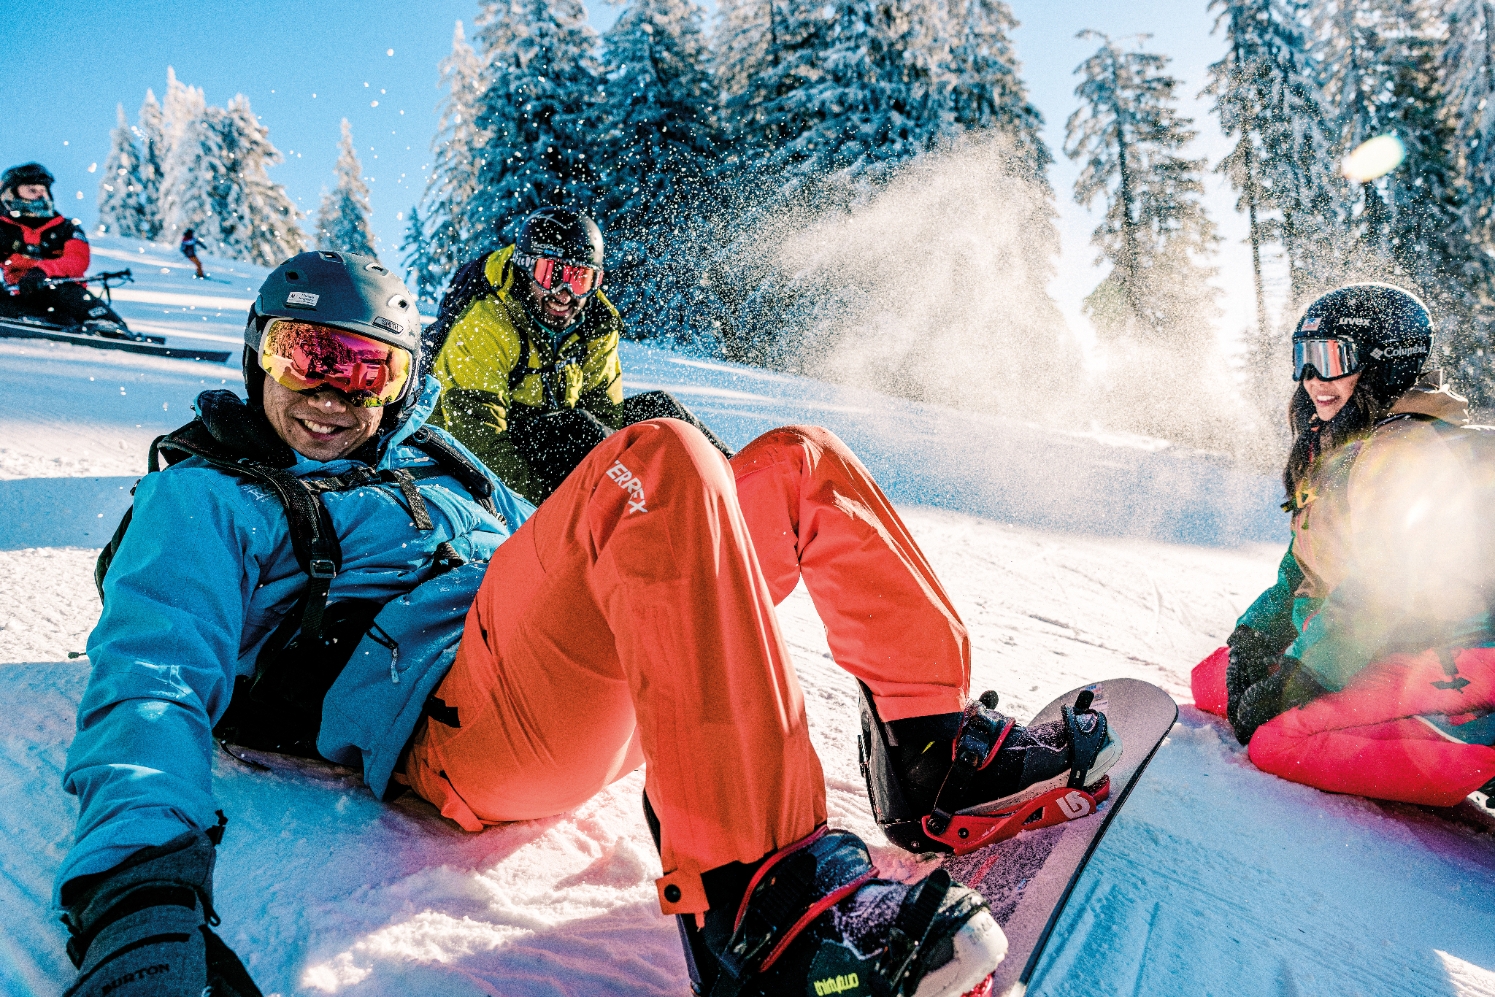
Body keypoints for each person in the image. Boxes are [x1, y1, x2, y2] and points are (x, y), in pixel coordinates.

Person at [57, 250, 1120, 997]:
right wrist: (137, 908)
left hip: (549, 669)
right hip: (458, 722)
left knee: (795, 462)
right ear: (258, 355)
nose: (332, 393)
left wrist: (694, 493)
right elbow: (148, 677)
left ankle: (931, 753)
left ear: (400, 379)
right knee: (651, 460)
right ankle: (766, 907)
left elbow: (570, 550)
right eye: (305, 356)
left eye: (364, 365)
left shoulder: (433, 465)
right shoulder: (206, 495)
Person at [1191, 283, 1495, 808]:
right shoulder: (1340, 444)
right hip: (1367, 640)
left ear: (1385, 364)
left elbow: (1386, 587)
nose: (1312, 379)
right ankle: (1374, 706)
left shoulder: (1405, 453)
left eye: (1331, 358)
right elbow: (1301, 569)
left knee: (1278, 742)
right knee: (1214, 681)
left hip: (1449, 649)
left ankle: (1476, 739)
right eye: (1303, 359)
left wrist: (1305, 673)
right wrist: (1257, 638)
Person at [425, 206, 732, 505]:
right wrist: (545, 512)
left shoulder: (597, 325)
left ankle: (742, 487)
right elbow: (477, 437)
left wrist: (628, 467)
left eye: (579, 279)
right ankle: (651, 519)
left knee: (659, 415)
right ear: (524, 267)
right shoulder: (487, 322)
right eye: (551, 275)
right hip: (472, 454)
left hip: (550, 434)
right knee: (576, 428)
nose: (564, 293)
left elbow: (606, 416)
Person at [0, 162, 128, 333]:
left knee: (67, 294)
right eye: (32, 191)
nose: (40, 196)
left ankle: (109, 329)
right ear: (10, 193)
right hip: (18, 292)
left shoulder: (66, 228)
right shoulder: (3, 228)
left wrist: (42, 271)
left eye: (43, 191)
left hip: (61, 290)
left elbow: (77, 259)